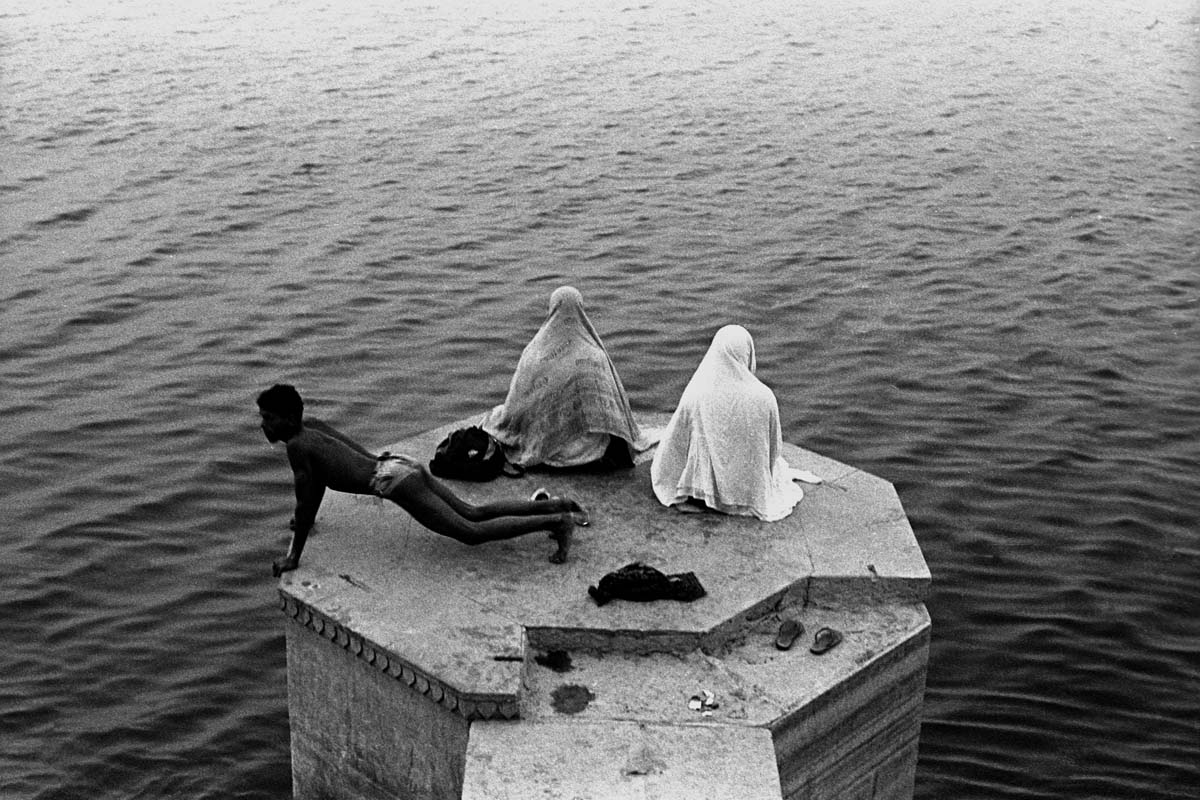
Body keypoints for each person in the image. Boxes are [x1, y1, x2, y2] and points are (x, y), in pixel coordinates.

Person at [256, 384, 587, 575]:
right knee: (473, 512)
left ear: (289, 419)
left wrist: (293, 557)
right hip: (396, 464)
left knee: (470, 533)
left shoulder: (297, 447)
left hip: (392, 481)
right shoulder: (311, 426)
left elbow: (306, 498)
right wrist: (373, 462)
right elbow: (328, 470)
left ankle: (556, 522)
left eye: (269, 418)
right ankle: (555, 506)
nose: (263, 425)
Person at [483, 286, 653, 469]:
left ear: (551, 309)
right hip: (589, 452)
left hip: (545, 452)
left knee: (498, 415)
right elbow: (611, 414)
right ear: (581, 309)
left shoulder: (533, 354)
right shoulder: (594, 355)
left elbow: (516, 406)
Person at [650, 324, 803, 522]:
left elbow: (676, 445)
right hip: (748, 489)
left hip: (701, 492)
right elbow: (773, 447)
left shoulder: (697, 393)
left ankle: (704, 491)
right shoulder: (765, 397)